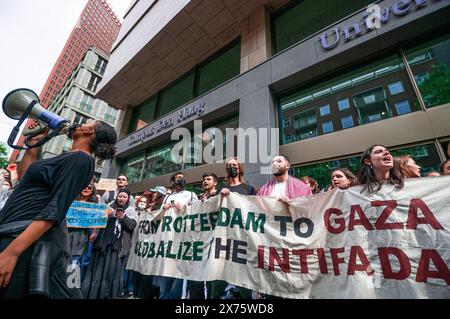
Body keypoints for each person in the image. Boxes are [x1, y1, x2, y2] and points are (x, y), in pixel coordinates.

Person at [0, 120, 117, 299]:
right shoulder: (69, 157)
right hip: (12, 231)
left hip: (21, 239)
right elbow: (26, 177)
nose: (78, 123)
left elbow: (54, 210)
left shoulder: (81, 159)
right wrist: (36, 142)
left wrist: (12, 252)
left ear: (89, 130)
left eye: (85, 122)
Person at [82, 189, 137, 299]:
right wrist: (108, 215)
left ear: (128, 199)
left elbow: (131, 226)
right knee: (97, 270)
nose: (121, 199)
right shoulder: (108, 206)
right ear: (117, 197)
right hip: (103, 243)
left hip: (117, 247)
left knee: (113, 272)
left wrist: (123, 217)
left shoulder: (131, 211)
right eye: (120, 196)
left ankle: (107, 295)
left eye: (124, 197)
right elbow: (97, 220)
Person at [154, 172, 198, 299]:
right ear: (173, 182)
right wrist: (165, 208)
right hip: (167, 238)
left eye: (182, 177)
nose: (181, 179)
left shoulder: (190, 195)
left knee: (177, 272)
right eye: (178, 178)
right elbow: (160, 215)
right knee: (164, 272)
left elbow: (196, 212)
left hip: (182, 237)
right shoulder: (168, 197)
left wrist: (182, 207)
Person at [68, 183, 99, 280]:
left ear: (92, 190)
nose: (86, 188)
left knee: (75, 261)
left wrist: (94, 232)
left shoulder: (94, 204)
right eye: (84, 186)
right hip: (67, 232)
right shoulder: (71, 199)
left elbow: (97, 219)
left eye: (89, 187)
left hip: (82, 235)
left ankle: (71, 285)